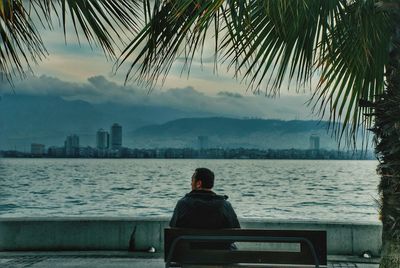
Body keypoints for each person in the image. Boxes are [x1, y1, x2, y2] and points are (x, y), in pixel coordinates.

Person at [170, 167, 240, 229]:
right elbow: (235, 229)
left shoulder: (183, 204)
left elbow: (173, 227)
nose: (191, 184)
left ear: (199, 184)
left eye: (192, 180)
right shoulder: (225, 205)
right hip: (217, 244)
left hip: (192, 244)